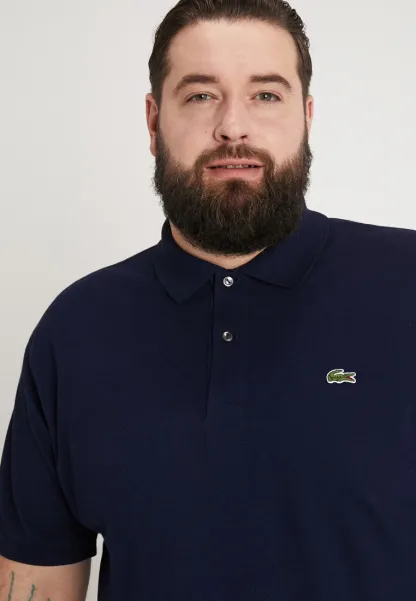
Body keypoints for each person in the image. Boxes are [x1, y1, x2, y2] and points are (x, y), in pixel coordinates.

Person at [1, 0, 415, 600]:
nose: (233, 126)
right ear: (153, 122)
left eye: (265, 95)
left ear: (306, 115)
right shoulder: (76, 330)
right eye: (200, 95)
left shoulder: (405, 285)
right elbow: (35, 580)